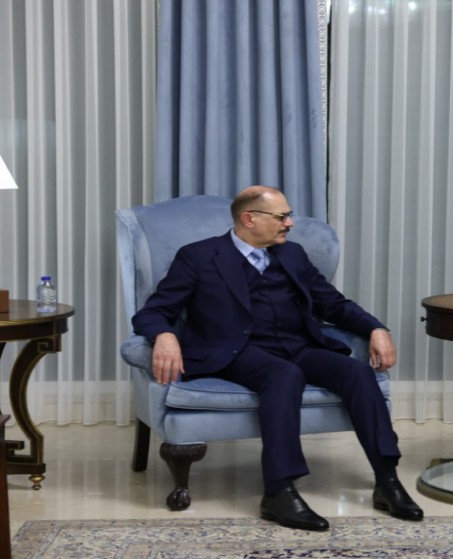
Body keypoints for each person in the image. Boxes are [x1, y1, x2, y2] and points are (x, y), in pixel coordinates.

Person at [132, 185, 423, 531]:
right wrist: (164, 335)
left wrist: (376, 328)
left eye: (289, 215)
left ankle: (387, 482)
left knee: (357, 372)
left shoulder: (293, 254)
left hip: (298, 346)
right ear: (249, 219)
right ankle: (279, 491)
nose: (290, 223)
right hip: (238, 351)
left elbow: (333, 304)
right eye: (282, 216)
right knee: (283, 374)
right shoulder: (199, 256)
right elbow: (154, 311)